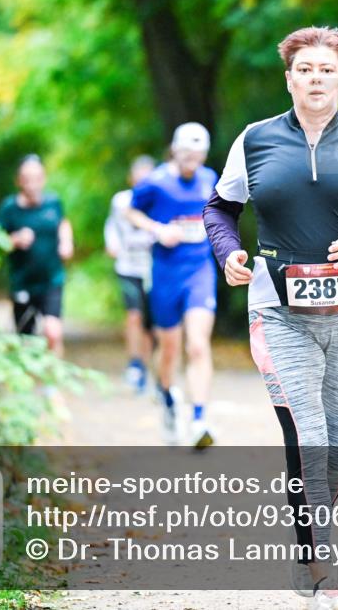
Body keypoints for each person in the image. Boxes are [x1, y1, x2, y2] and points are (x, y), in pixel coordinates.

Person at [203, 26, 338, 604]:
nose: (316, 78)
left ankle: (307, 536)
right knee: (308, 432)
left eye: (326, 69)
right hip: (278, 309)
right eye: (305, 69)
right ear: (289, 79)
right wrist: (230, 254)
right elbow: (220, 209)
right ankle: (316, 559)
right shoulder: (255, 140)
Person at [127, 123, 219, 449]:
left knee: (197, 345)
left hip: (200, 271)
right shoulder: (156, 183)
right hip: (166, 273)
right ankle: (167, 399)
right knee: (169, 349)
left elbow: (222, 214)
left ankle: (198, 419)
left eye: (198, 154)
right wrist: (156, 228)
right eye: (186, 153)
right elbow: (131, 211)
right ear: (175, 150)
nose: (192, 159)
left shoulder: (210, 179)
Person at [0, 154, 74, 357]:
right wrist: (15, 239)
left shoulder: (53, 203)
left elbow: (63, 223)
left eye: (36, 178)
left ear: (43, 178)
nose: (32, 184)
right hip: (22, 283)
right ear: (19, 181)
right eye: (27, 178)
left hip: (51, 279)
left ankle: (54, 383)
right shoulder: (9, 208)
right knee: (26, 340)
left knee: (53, 332)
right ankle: (30, 384)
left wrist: (66, 241)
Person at [104, 155, 157, 392]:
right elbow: (111, 226)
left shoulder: (160, 200)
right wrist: (112, 244)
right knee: (133, 315)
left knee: (151, 323)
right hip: (127, 267)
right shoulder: (121, 201)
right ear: (131, 178)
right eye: (139, 177)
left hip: (154, 268)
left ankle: (147, 366)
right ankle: (135, 363)